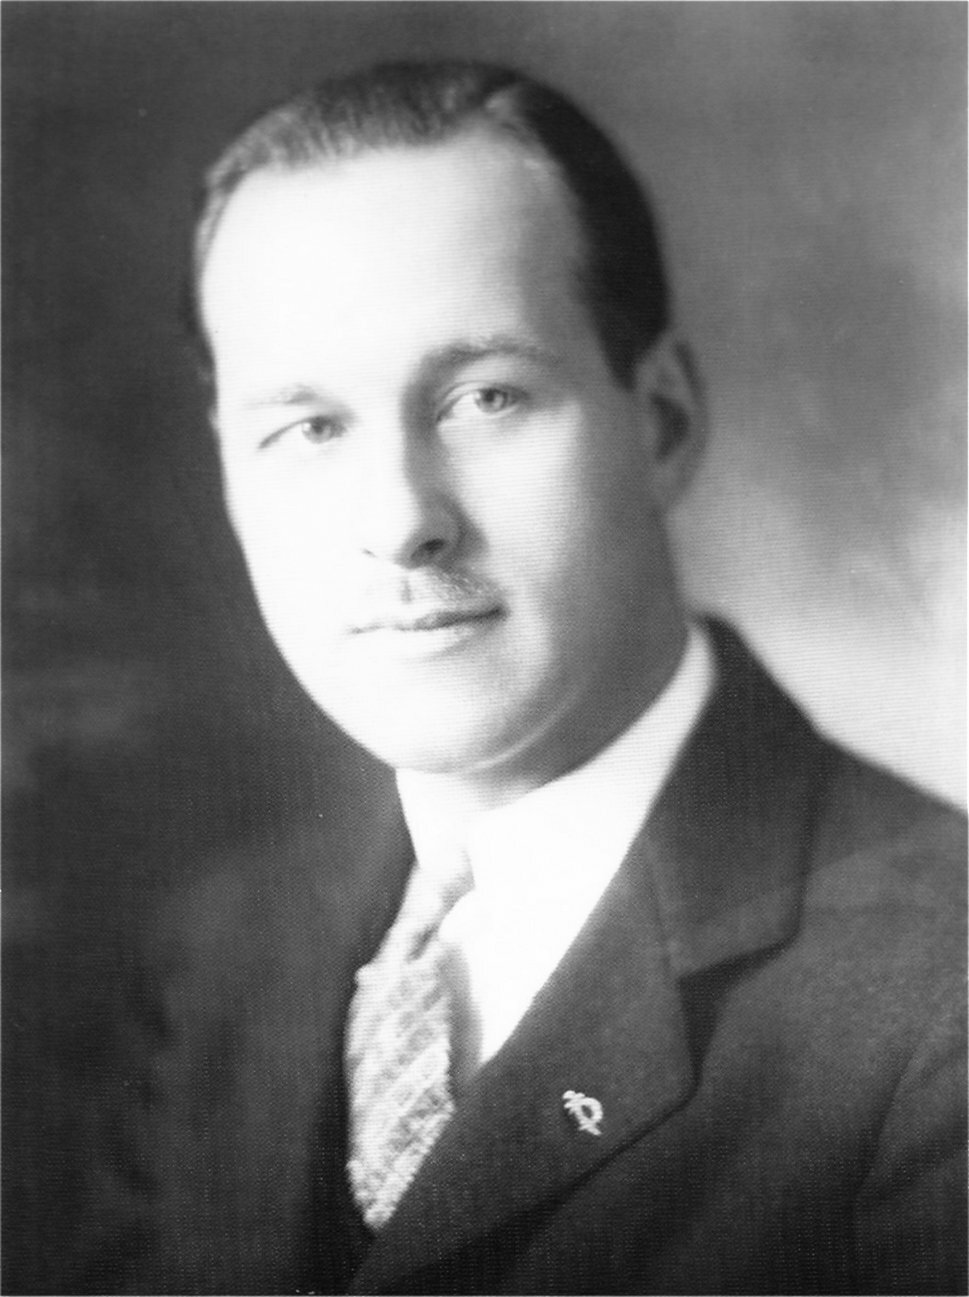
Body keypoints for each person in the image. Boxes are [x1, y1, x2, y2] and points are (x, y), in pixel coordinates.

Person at [81, 61, 965, 1295]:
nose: (400, 521)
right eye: (308, 428)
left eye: (485, 397)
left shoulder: (940, 999)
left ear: (662, 422)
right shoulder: (220, 960)